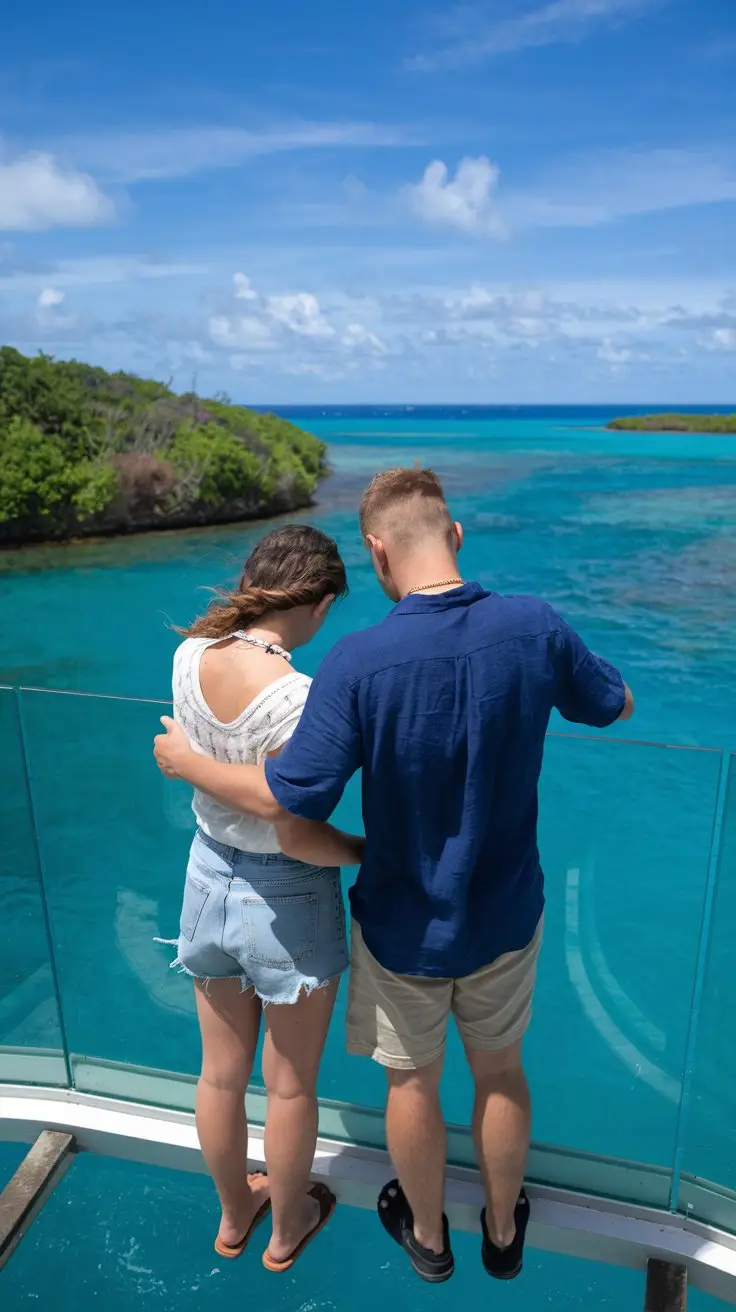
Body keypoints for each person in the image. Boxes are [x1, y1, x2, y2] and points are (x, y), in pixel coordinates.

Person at [155, 468, 634, 1285]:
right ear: (455, 535)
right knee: (501, 1070)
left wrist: (188, 762)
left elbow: (290, 797)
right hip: (507, 911)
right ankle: (501, 1229)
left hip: (402, 916)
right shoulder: (535, 625)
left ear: (376, 553)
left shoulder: (356, 662)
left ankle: (427, 1236)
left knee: (412, 1080)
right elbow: (614, 704)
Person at [161, 524, 363, 1273]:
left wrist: (186, 765)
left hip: (206, 876)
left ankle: (233, 1213)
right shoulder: (299, 697)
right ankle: (285, 1230)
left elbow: (208, 766)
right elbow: (299, 830)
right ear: (320, 602)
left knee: (218, 1073)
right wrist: (361, 852)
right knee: (289, 1087)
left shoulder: (191, 655)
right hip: (286, 894)